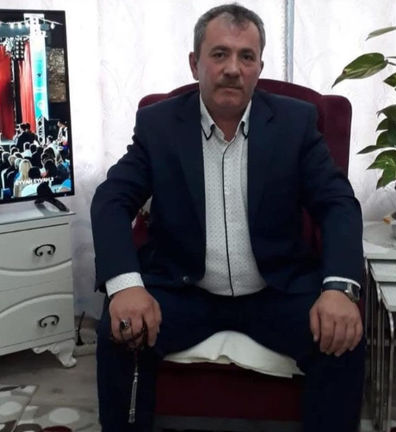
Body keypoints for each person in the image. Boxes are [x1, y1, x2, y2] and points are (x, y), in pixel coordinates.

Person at [91, 4, 365, 432]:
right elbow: (111, 200)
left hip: (276, 289)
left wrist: (340, 288)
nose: (233, 69)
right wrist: (125, 286)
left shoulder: (295, 123)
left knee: (342, 336)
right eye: (219, 54)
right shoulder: (159, 125)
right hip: (184, 288)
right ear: (195, 63)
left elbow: (337, 203)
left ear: (259, 67)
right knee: (120, 327)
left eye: (246, 56)